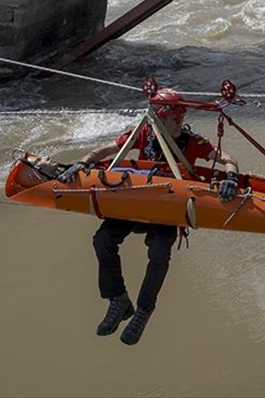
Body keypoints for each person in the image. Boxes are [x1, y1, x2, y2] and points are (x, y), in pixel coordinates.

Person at [62, 88, 240, 346]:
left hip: (168, 208)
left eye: (181, 117)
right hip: (138, 202)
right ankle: (118, 300)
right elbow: (107, 150)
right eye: (174, 118)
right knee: (102, 239)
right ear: (159, 118)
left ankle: (144, 310)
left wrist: (231, 177)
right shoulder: (144, 134)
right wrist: (83, 162)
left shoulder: (191, 142)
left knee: (159, 250)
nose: (180, 122)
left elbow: (226, 158)